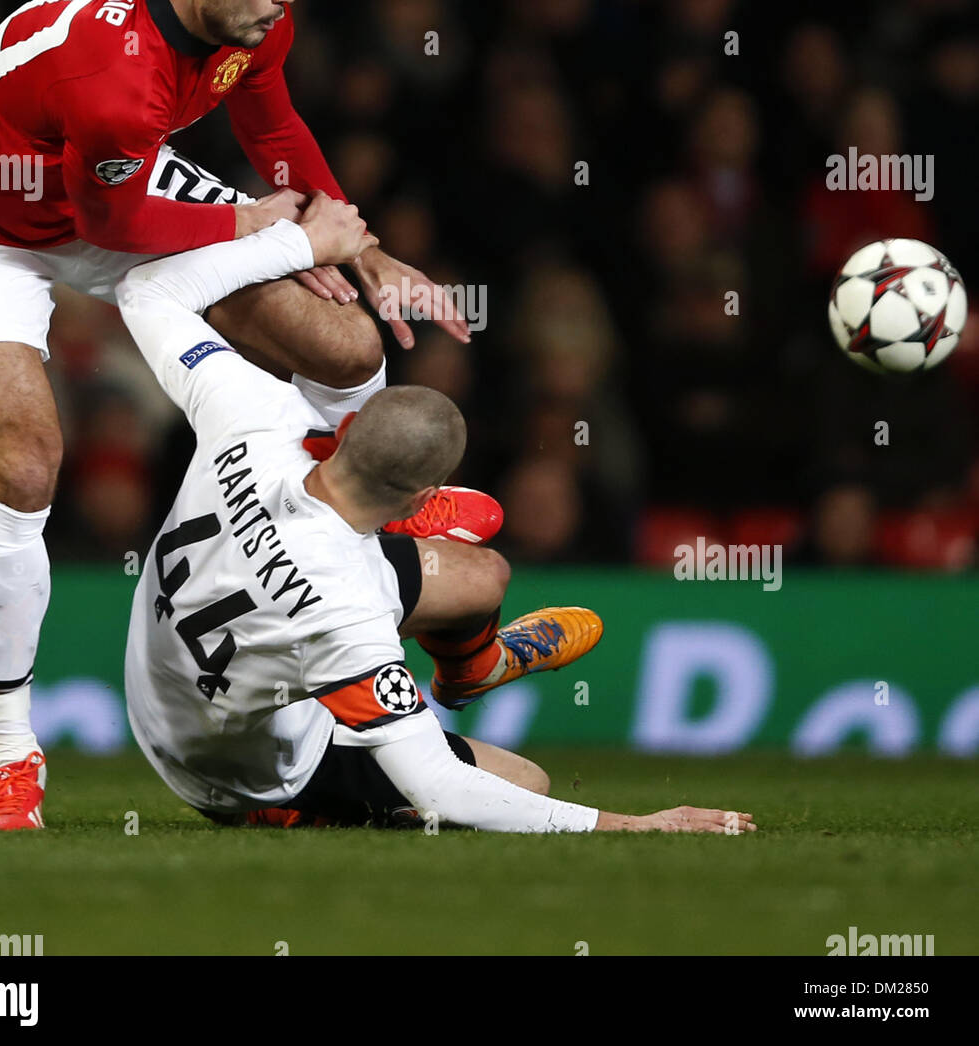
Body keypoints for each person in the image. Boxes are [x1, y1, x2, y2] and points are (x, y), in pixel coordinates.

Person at [0, 0, 468, 828]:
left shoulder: (248, 14)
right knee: (25, 465)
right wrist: (288, 233)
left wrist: (366, 250)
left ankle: (371, 513)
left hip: (118, 185)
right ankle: (8, 756)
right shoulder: (113, 81)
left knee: (344, 345)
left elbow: (274, 125)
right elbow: (115, 224)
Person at [101, 194, 752, 837]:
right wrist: (633, 824)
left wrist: (297, 244)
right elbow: (444, 786)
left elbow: (144, 290)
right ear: (418, 503)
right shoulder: (350, 610)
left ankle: (476, 668)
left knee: (483, 575)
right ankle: (285, 806)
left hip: (163, 677)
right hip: (226, 766)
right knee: (523, 782)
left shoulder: (252, 411)